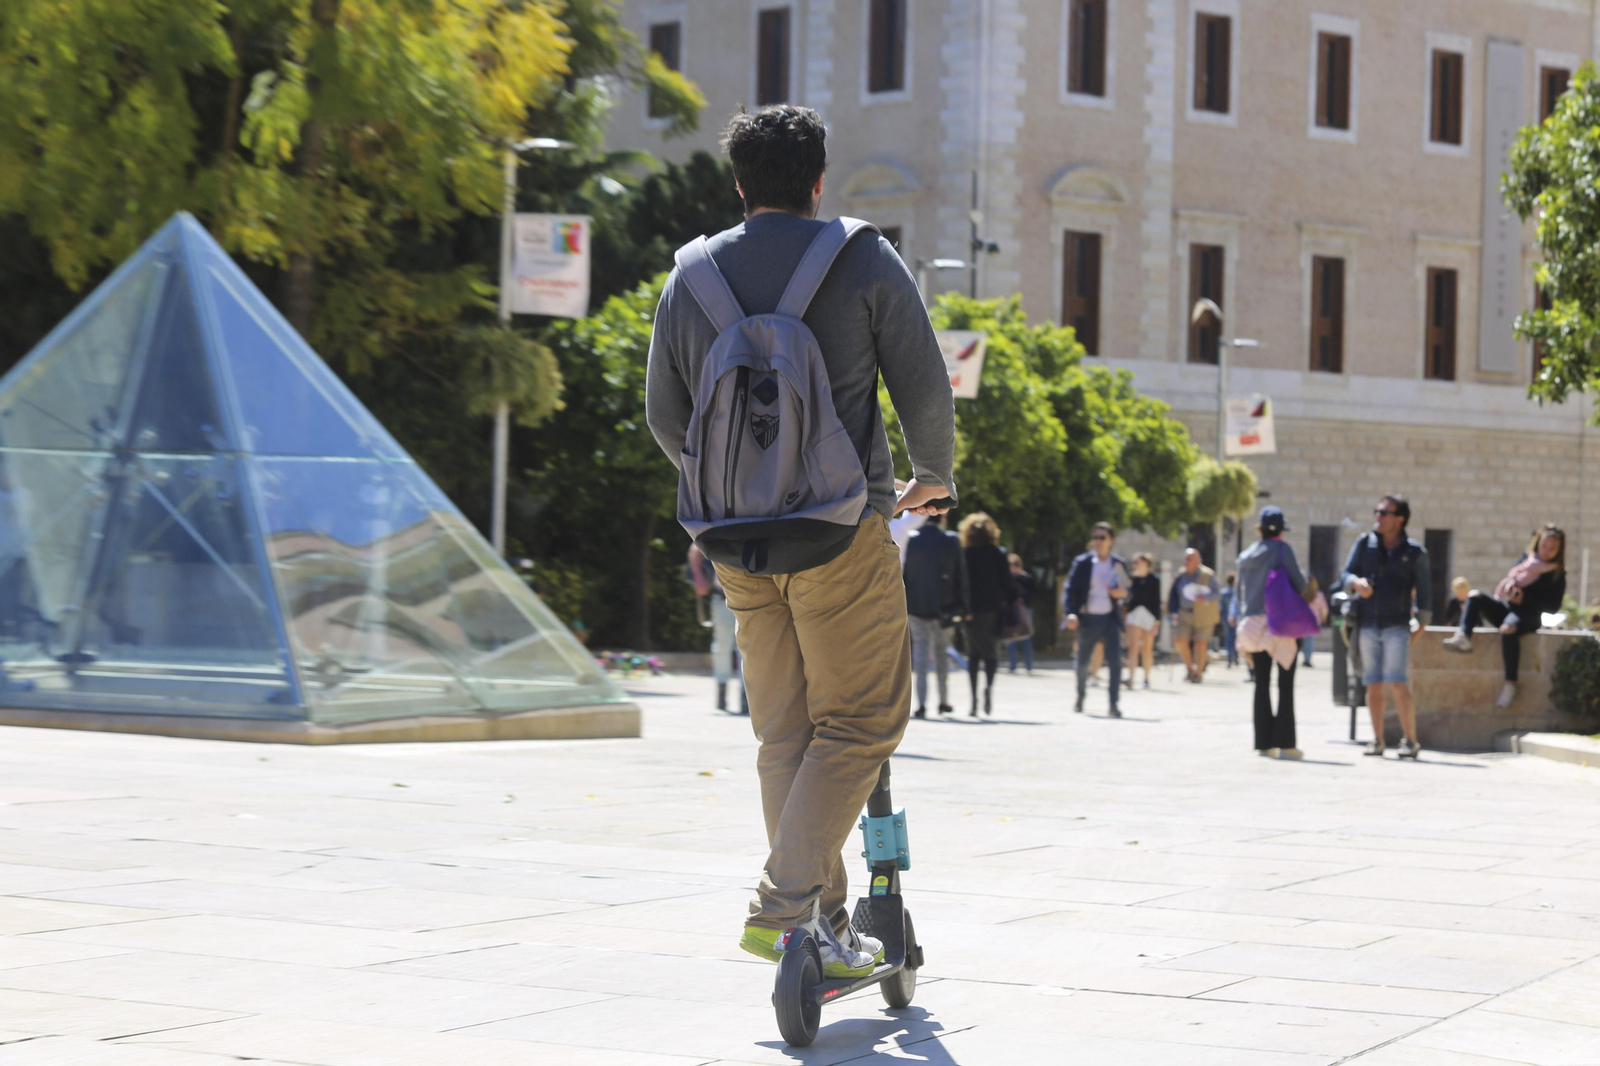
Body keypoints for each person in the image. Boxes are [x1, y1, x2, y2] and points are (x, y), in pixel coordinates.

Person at [644, 105, 956, 978]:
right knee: (862, 721)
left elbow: (664, 417)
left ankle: (821, 922)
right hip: (839, 531)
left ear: (739, 184)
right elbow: (922, 379)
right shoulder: (860, 257)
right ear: (819, 180)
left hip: (737, 544)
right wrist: (931, 474)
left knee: (783, 733)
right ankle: (785, 906)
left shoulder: (690, 276)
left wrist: (730, 487)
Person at [1342, 495, 1431, 760]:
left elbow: (1425, 591)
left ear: (1399, 519)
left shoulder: (1414, 552)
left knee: (1397, 682)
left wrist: (1422, 624)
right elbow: (1345, 575)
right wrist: (1357, 583)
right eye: (1377, 512)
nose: (1378, 517)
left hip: (1396, 625)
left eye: (1384, 513)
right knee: (1373, 684)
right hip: (1367, 624)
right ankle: (1377, 740)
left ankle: (1410, 741)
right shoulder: (1364, 543)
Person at [1443, 524, 1568, 708]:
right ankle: (1464, 636)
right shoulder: (1526, 560)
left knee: (1508, 629)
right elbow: (1512, 578)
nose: (1546, 551)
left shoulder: (1557, 574)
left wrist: (1525, 599)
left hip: (1529, 617)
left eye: (1552, 548)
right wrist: (1511, 589)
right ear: (1537, 543)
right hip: (1508, 609)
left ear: (1558, 550)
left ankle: (1511, 683)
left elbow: (1553, 607)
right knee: (1474, 595)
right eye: (1544, 546)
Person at [1236, 506, 1305, 758]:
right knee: (1285, 683)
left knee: (1261, 682)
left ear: (1260, 529)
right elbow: (1300, 583)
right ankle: (1287, 744)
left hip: (1253, 626)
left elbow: (1239, 595)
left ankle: (1264, 744)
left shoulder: (1245, 557)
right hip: (1280, 624)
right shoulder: (1283, 550)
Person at [1062, 521, 1130, 717]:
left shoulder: (1118, 564)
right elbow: (1069, 590)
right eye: (1096, 537)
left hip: (1110, 618)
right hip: (1088, 618)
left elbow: (1127, 592)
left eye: (1103, 538)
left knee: (1116, 662)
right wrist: (1070, 613)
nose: (1098, 541)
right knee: (1083, 662)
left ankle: (1113, 704)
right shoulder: (1082, 563)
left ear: (1111, 541)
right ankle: (1081, 693)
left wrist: (1122, 594)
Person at [903, 515, 968, 718]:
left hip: (915, 606)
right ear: (943, 517)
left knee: (920, 654)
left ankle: (921, 704)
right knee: (942, 653)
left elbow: (905, 574)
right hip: (944, 608)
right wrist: (963, 607)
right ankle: (943, 700)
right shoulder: (950, 540)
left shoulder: (912, 539)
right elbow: (960, 576)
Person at [959, 513, 1013, 717]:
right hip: (992, 610)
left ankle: (973, 701)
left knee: (973, 655)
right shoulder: (999, 553)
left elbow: (960, 582)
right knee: (991, 654)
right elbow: (1007, 583)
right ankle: (988, 688)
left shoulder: (965, 553)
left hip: (970, 611)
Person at [687, 543, 745, 713]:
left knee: (748, 648)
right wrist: (698, 576)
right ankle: (721, 692)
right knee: (722, 647)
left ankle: (746, 697)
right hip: (722, 597)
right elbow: (695, 547)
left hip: (750, 594)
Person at [1168, 547, 1220, 683]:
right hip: (1184, 613)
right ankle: (1190, 668)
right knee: (1180, 641)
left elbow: (1217, 594)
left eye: (1189, 559)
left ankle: (1198, 673)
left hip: (1204, 614)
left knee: (1201, 644)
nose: (1186, 561)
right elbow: (1173, 595)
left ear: (1197, 560)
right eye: (1185, 558)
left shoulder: (1208, 574)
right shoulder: (1181, 575)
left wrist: (1205, 597)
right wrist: (1172, 611)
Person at [1124, 552, 1162, 689]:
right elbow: (1126, 599)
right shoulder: (1131, 580)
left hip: (1149, 616)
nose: (1135, 565)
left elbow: (1157, 602)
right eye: (1134, 563)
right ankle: (1131, 677)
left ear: (1146, 563)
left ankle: (1146, 678)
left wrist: (1157, 621)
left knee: (1147, 648)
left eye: (1138, 562)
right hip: (1134, 614)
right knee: (1133, 646)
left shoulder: (1154, 580)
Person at [1005, 553, 1037, 674]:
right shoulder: (1009, 578)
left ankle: (1029, 665)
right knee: (1010, 637)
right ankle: (1012, 665)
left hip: (1025, 609)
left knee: (1026, 636)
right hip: (1011, 609)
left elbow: (1032, 595)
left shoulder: (1027, 578)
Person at [1300, 576, 1329, 668]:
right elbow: (1324, 609)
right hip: (1314, 620)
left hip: (1302, 620)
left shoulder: (1302, 594)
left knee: (1303, 640)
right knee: (1310, 641)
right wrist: (1323, 617)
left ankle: (1305, 657)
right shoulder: (1319, 595)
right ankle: (1307, 659)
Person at [1219, 572, 1240, 668]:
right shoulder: (1237, 591)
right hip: (1237, 617)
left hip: (1225, 618)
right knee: (1236, 637)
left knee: (1228, 638)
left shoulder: (1223, 593)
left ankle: (1229, 658)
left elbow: (1220, 607)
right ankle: (1236, 655)